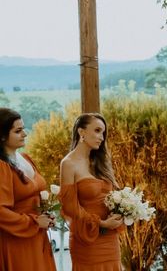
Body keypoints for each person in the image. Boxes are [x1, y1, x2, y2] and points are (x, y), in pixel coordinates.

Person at [60, 113, 123, 271]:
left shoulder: (101, 161)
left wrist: (123, 211)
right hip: (86, 238)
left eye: (103, 133)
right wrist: (101, 223)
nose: (101, 137)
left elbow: (111, 197)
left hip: (110, 239)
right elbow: (69, 207)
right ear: (81, 132)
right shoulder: (68, 164)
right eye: (97, 131)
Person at [0, 107, 57, 271]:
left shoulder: (25, 158)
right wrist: (34, 222)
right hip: (17, 240)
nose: (24, 134)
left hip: (38, 237)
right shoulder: (2, 166)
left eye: (23, 129)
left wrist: (46, 215)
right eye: (18, 131)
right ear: (2, 136)